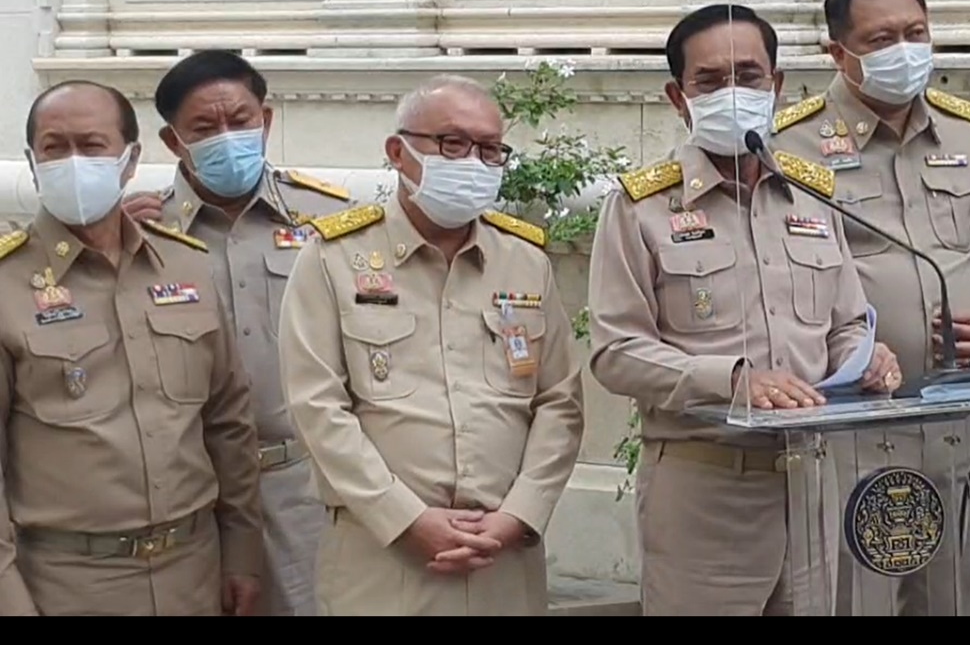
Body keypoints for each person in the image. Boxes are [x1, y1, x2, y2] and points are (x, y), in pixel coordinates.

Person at [588, 3, 901, 616]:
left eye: (749, 76)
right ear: (679, 98)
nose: (732, 92)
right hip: (706, 487)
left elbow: (844, 323)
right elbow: (615, 352)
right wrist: (732, 380)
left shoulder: (812, 195)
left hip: (811, 484)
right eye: (709, 81)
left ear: (776, 86)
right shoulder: (640, 208)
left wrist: (867, 358)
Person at [771, 0, 970, 616]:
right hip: (851, 430)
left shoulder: (966, 134)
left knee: (958, 600)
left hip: (959, 424)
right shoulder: (789, 146)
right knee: (857, 601)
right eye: (881, 39)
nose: (904, 50)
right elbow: (771, 285)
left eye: (916, 33)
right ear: (838, 52)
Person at [278, 74, 584, 616]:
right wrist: (406, 518)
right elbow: (317, 407)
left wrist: (519, 514)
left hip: (501, 558)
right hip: (383, 554)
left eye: (489, 149)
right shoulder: (333, 258)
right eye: (453, 144)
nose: (473, 163)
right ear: (399, 152)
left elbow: (559, 401)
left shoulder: (525, 261)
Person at [0, 80, 263, 616]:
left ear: (130, 160)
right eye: (55, 148)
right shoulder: (7, 283)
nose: (74, 162)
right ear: (32, 162)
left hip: (193, 571)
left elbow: (227, 422)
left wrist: (242, 551)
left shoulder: (186, 266)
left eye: (92, 145)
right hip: (66, 582)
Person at [121, 50, 352, 616]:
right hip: (189, 492)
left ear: (265, 120)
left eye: (240, 120)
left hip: (303, 484)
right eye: (205, 128)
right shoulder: (139, 233)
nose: (227, 137)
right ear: (173, 141)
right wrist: (109, 247)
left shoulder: (327, 221)